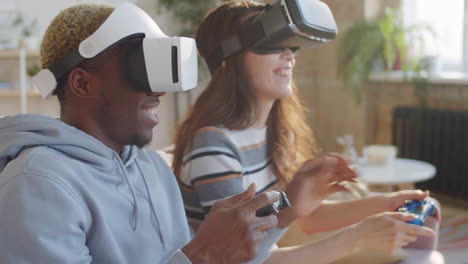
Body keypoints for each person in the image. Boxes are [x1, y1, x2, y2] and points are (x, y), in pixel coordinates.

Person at [0, 3, 283, 263]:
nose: (158, 90)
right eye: (139, 67)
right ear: (82, 84)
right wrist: (202, 254)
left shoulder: (152, 168)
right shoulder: (38, 185)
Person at [172, 1, 438, 263]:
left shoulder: (275, 133)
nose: (289, 55)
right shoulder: (214, 145)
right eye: (270, 44)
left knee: (425, 239)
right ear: (226, 61)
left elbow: (306, 217)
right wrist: (356, 238)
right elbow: (241, 258)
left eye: (289, 45)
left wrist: (384, 202)